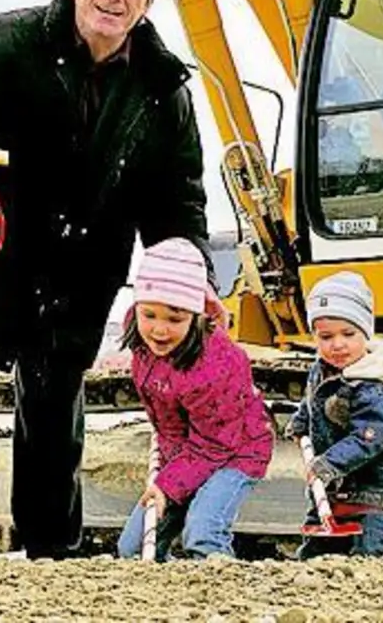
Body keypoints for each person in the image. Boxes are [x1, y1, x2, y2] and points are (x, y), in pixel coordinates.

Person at [0, 0, 212, 560]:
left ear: (148, 1)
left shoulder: (161, 89)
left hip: (79, 271)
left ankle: (51, 556)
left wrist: (189, 275)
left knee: (52, 409)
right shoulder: (2, 44)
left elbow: (177, 196)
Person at [114, 238, 274, 561]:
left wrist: (168, 487)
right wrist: (169, 473)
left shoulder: (216, 367)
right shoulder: (143, 347)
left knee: (202, 533)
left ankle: (222, 600)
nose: (159, 330)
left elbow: (214, 445)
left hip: (234, 452)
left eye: (174, 319)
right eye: (149, 315)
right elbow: (169, 422)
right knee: (132, 549)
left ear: (196, 316)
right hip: (189, 453)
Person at [286, 271, 383, 558]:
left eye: (348, 334)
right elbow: (312, 401)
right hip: (332, 488)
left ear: (365, 333)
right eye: (326, 337)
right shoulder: (321, 369)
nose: (337, 344)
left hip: (372, 494)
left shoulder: (379, 387)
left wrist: (328, 463)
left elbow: (368, 438)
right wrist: (301, 422)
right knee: (316, 552)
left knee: (367, 556)